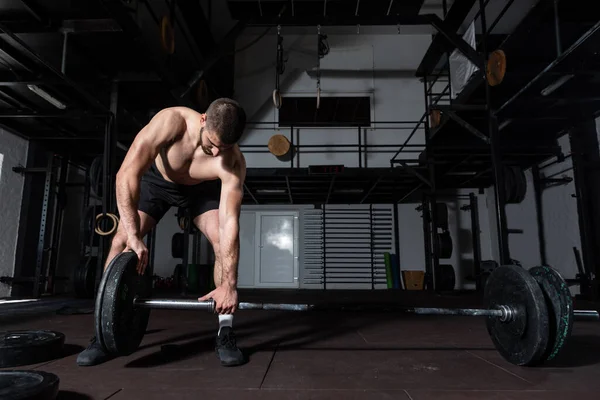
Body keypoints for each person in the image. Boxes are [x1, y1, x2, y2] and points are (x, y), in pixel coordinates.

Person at [76, 98, 247, 367]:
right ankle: (103, 333)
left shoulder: (232, 161)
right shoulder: (172, 122)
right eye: (212, 143)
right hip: (159, 182)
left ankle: (225, 331)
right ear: (203, 120)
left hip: (201, 191)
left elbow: (230, 224)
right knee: (120, 240)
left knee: (219, 240)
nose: (215, 153)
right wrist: (133, 234)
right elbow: (126, 174)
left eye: (223, 148)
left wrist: (231, 285)